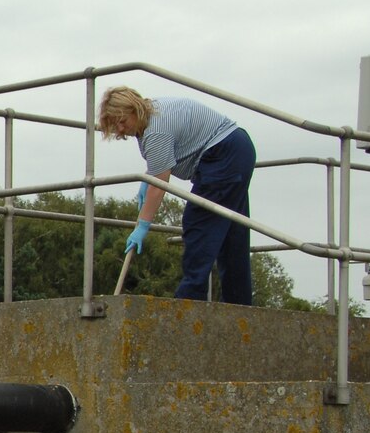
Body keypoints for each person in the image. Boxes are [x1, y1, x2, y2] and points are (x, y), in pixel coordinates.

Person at [96, 86, 257, 305]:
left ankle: (188, 301)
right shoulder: (153, 111)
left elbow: (160, 184)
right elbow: (158, 169)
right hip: (236, 147)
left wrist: (142, 226)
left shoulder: (155, 131)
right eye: (116, 127)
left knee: (198, 222)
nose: (121, 130)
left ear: (134, 110)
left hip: (222, 155)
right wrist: (149, 177)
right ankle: (240, 305)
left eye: (122, 122)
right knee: (231, 231)